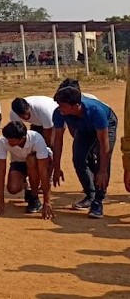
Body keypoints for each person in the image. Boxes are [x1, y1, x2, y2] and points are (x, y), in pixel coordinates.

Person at [52, 86, 117, 219]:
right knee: (78, 158)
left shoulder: (95, 111)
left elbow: (104, 145)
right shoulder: (59, 113)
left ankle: (98, 202)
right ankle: (90, 194)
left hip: (105, 124)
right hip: (84, 127)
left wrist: (103, 170)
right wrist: (56, 167)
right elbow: (58, 141)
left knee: (101, 158)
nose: (60, 108)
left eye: (63, 106)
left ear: (76, 105)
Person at [0, 121, 53, 218]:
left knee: (31, 159)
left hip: (38, 161)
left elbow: (43, 172)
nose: (9, 142)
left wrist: (47, 202)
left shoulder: (36, 138)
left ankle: (34, 197)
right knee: (12, 189)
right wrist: (0, 201)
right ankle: (27, 186)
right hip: (19, 162)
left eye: (12, 140)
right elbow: (1, 171)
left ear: (22, 138)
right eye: (7, 139)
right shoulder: (2, 141)